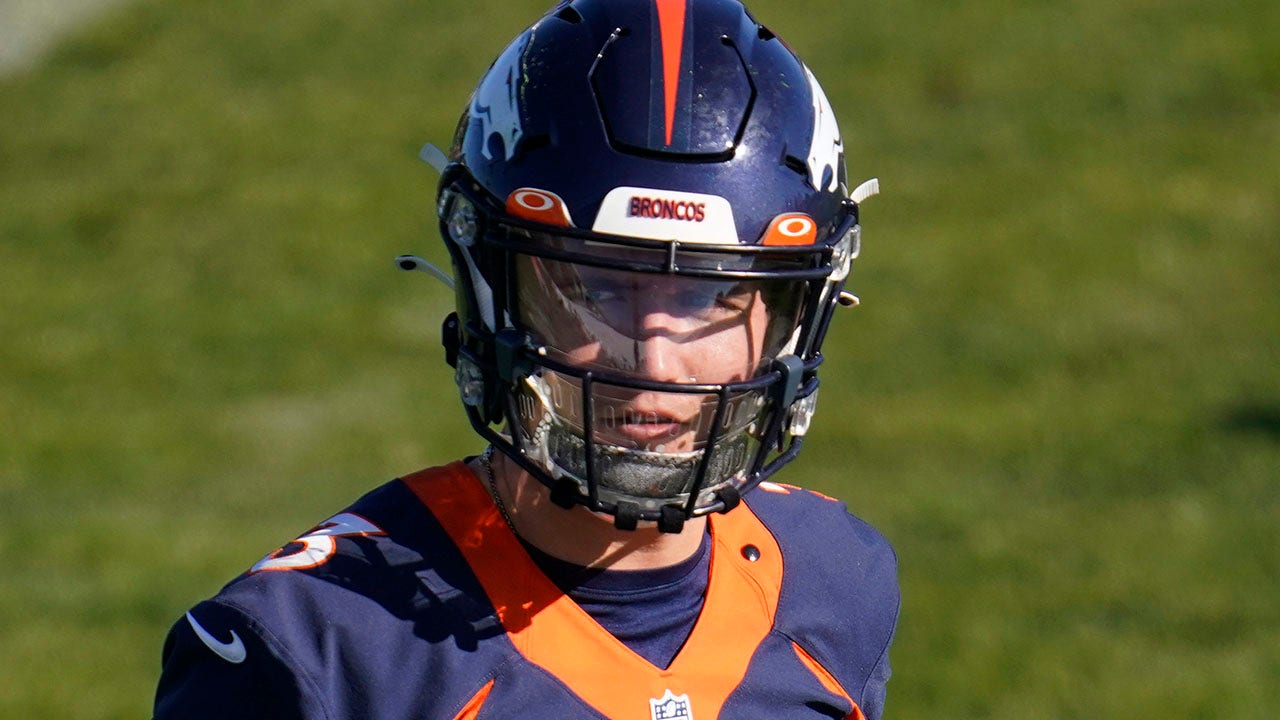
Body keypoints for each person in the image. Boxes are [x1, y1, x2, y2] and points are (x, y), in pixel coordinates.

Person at [153, 0, 899, 718]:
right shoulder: (310, 650)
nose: (658, 362)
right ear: (492, 293)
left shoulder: (835, 582)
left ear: (791, 316)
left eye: (711, 297)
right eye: (594, 289)